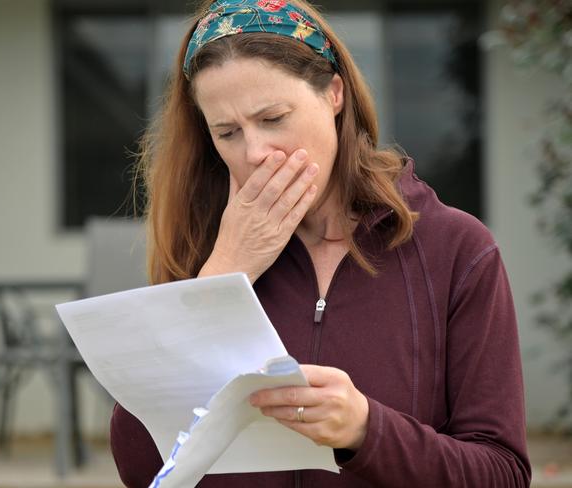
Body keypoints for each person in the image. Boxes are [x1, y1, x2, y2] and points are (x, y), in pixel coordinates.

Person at [111, 0, 531, 486]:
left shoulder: (456, 249)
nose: (254, 153)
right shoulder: (204, 248)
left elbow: (502, 473)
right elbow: (141, 469)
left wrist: (366, 430)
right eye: (227, 133)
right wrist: (223, 277)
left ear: (335, 94)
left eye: (273, 119)